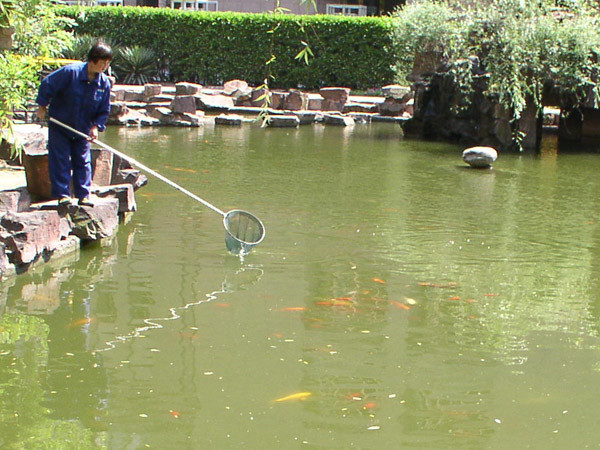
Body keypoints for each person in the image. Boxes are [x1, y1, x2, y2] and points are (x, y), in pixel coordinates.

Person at [36, 42, 113, 207]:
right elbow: (47, 84)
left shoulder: (104, 83)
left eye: (108, 63)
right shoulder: (71, 73)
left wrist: (95, 127)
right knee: (60, 159)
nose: (105, 66)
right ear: (93, 60)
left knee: (83, 161)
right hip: (61, 125)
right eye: (103, 62)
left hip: (82, 128)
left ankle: (83, 195)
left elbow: (103, 109)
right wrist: (42, 106)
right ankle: (63, 196)